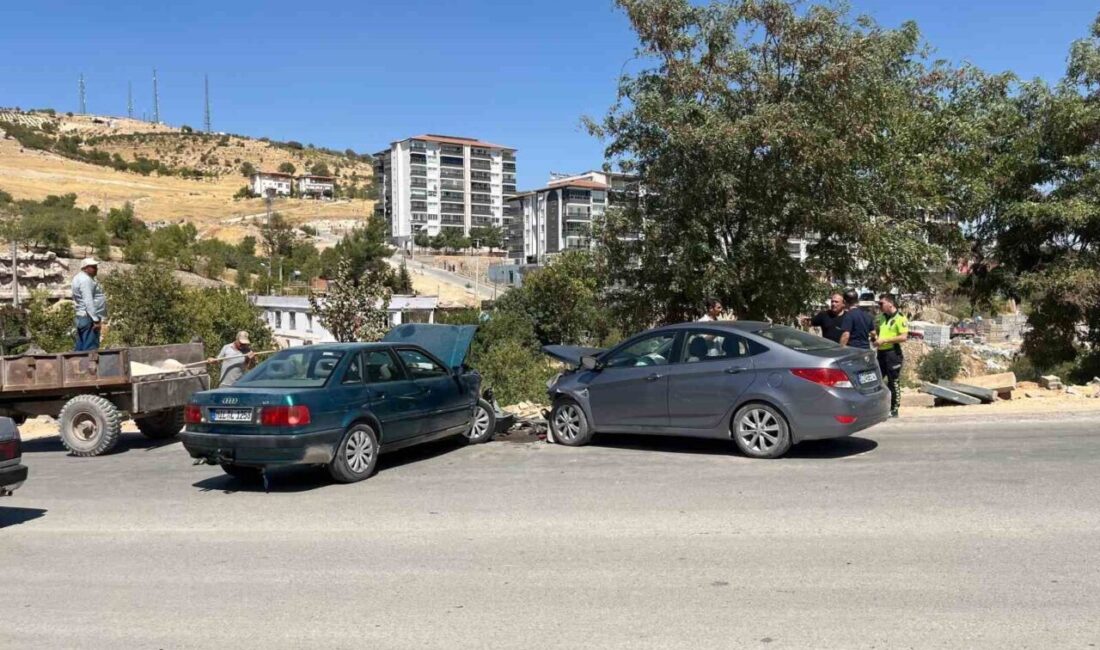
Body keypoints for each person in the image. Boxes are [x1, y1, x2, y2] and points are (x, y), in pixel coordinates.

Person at [873, 294, 909, 418]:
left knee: (893, 381)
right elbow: (877, 332)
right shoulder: (880, 317)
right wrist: (875, 337)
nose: (879, 306)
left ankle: (894, 409)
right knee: (877, 380)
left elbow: (904, 337)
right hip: (880, 353)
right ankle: (878, 407)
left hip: (893, 354)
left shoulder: (900, 318)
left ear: (890, 304)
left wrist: (885, 340)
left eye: (881, 303)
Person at [71, 258, 107, 351]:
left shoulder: (78, 277)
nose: (96, 269)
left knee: (81, 346)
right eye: (93, 267)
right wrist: (95, 320)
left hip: (82, 316)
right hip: (89, 317)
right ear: (85, 268)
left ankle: (79, 360)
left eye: (96, 267)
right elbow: (88, 301)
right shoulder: (86, 280)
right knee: (90, 348)